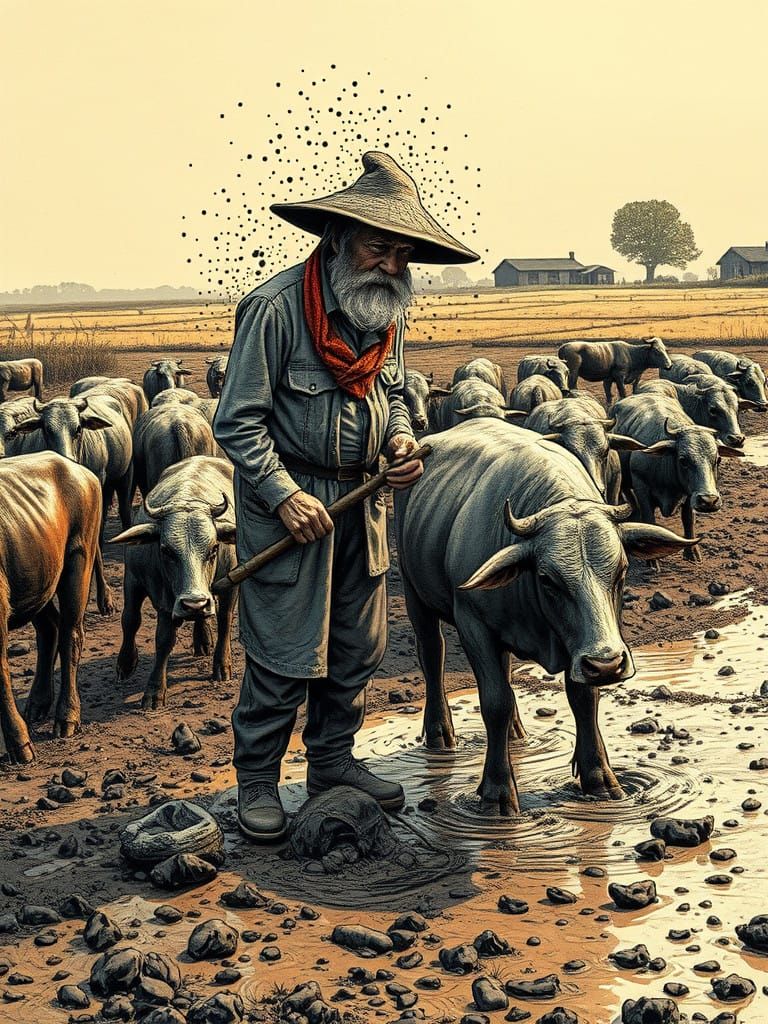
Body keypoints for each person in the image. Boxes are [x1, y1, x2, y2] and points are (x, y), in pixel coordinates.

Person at [213, 151, 479, 842]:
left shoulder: (384, 313)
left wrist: (398, 442)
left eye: (403, 253)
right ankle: (259, 782)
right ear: (337, 241)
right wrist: (280, 495)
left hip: (363, 502)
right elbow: (236, 422)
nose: (392, 265)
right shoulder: (274, 310)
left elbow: (389, 394)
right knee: (282, 649)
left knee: (355, 645)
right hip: (291, 506)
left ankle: (332, 763)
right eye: (379, 247)